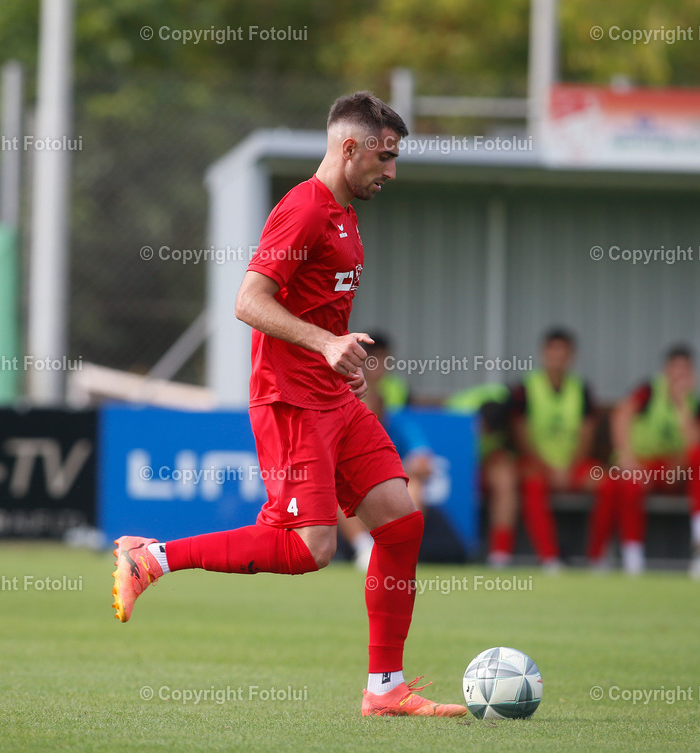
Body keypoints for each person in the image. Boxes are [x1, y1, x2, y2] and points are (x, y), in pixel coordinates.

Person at [110, 92, 466, 717]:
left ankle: (385, 688)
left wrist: (340, 356)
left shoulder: (346, 214)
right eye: (384, 157)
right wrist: (325, 344)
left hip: (333, 397)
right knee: (309, 549)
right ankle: (152, 557)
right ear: (349, 147)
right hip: (291, 402)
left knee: (401, 523)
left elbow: (316, 308)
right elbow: (248, 301)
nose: (391, 171)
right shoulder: (303, 208)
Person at [510, 328, 614, 572]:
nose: (557, 357)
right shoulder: (526, 388)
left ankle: (597, 558)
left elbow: (587, 434)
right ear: (543, 354)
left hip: (572, 465)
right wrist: (546, 467)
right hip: (538, 465)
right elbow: (521, 434)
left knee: (609, 484)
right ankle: (548, 558)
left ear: (571, 356)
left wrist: (568, 468)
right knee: (531, 484)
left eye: (563, 352)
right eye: (552, 351)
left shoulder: (581, 389)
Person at [608, 344, 700, 574]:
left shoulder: (697, 404)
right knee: (629, 485)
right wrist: (627, 459)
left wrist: (682, 406)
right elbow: (621, 415)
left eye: (685, 370)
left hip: (674, 469)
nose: (679, 375)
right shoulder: (648, 391)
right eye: (675, 368)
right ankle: (633, 560)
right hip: (643, 465)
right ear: (665, 370)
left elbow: (694, 444)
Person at [340, 347, 433, 571]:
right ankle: (365, 550)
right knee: (335, 484)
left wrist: (389, 475)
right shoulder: (343, 426)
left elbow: (424, 464)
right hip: (354, 494)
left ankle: (400, 550)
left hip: (390, 491)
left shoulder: (399, 425)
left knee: (415, 485)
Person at [445, 383, 519, 567]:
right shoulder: (457, 410)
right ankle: (458, 548)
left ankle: (500, 553)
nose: (485, 434)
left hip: (488, 461)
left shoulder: (510, 406)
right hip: (455, 463)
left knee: (505, 480)